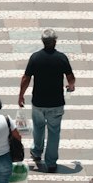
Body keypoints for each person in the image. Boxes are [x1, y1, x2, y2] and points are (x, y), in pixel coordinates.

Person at [18, 28, 76, 173]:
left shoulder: (35, 57)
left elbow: (26, 78)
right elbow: (70, 77)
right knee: (54, 132)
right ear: (55, 42)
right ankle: (51, 163)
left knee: (38, 128)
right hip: (56, 102)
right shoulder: (61, 58)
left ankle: (37, 152)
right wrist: (71, 86)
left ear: (43, 42)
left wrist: (21, 94)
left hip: (38, 101)